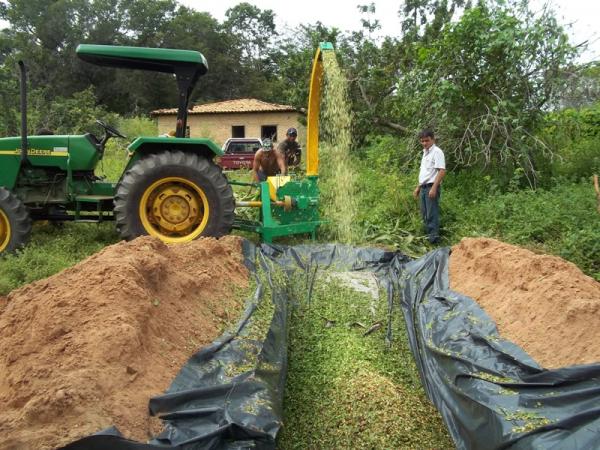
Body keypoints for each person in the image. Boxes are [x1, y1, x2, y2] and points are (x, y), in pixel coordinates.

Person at [413, 129, 446, 244]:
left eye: (427, 140)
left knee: (432, 214)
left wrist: (434, 188)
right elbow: (425, 173)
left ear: (433, 139)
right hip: (424, 187)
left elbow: (441, 171)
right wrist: (418, 187)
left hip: (431, 187)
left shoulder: (437, 152)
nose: (424, 143)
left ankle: (434, 241)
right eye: (422, 141)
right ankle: (428, 239)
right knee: (425, 214)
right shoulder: (425, 152)